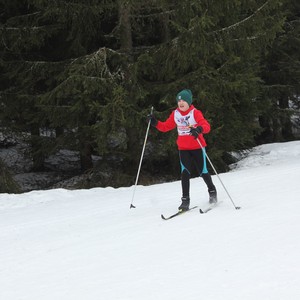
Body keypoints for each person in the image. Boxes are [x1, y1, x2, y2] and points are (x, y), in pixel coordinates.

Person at [148, 89, 217, 211]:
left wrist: (199, 129)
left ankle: (212, 191)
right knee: (185, 173)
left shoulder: (195, 113)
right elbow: (165, 127)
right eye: (179, 100)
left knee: (203, 171)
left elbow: (207, 126)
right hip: (183, 148)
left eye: (183, 100)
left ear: (189, 102)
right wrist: (155, 123)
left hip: (197, 147)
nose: (181, 102)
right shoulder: (175, 114)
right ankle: (185, 200)